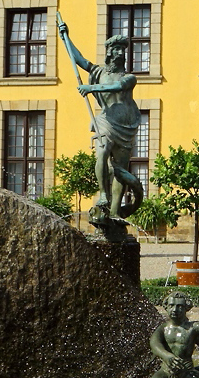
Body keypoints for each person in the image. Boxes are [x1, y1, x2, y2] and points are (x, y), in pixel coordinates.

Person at [57, 19, 144, 229]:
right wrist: (66, 37)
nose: (121, 53)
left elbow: (118, 86)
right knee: (102, 153)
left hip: (127, 125)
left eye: (123, 49)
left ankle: (115, 211)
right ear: (109, 52)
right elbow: (79, 59)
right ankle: (103, 195)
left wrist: (91, 88)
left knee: (120, 171)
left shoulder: (129, 77)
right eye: (116, 49)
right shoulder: (98, 72)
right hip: (105, 121)